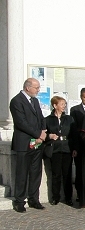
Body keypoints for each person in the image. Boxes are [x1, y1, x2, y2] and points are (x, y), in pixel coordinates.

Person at [9, 78, 48, 212]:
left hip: (37, 143)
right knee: (22, 173)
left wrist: (42, 133)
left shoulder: (35, 101)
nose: (38, 90)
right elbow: (21, 122)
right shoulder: (16, 101)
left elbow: (41, 118)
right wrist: (38, 134)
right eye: (36, 88)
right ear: (27, 88)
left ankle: (34, 199)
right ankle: (19, 200)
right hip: (24, 143)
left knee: (35, 172)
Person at [44, 96, 76, 206]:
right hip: (55, 149)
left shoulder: (69, 119)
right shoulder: (47, 119)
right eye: (62, 104)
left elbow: (73, 134)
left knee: (67, 174)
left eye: (65, 104)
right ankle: (55, 197)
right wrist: (49, 136)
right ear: (55, 105)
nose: (64, 106)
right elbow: (44, 134)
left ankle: (68, 198)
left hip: (67, 148)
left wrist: (74, 148)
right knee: (55, 174)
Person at [71, 87, 85, 203]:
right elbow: (74, 130)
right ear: (81, 97)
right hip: (80, 144)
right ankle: (80, 194)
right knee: (80, 171)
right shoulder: (75, 110)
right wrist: (75, 147)